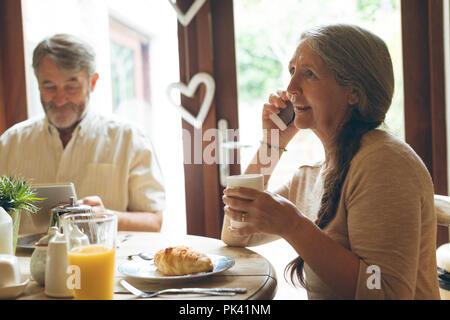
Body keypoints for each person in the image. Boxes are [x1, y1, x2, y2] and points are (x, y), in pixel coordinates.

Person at [221, 24, 440, 299]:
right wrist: (273, 144)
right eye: (291, 72)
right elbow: (236, 233)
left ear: (353, 93)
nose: (290, 88)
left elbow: (385, 292)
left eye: (309, 74)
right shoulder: (315, 174)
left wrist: (294, 226)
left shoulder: (384, 163)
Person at [0, 34, 165, 233]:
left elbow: (154, 220)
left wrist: (106, 216)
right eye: (49, 85)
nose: (60, 99)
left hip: (104, 262)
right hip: (26, 264)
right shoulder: (10, 143)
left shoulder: (130, 138)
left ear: (92, 82)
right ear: (37, 82)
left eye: (72, 86)